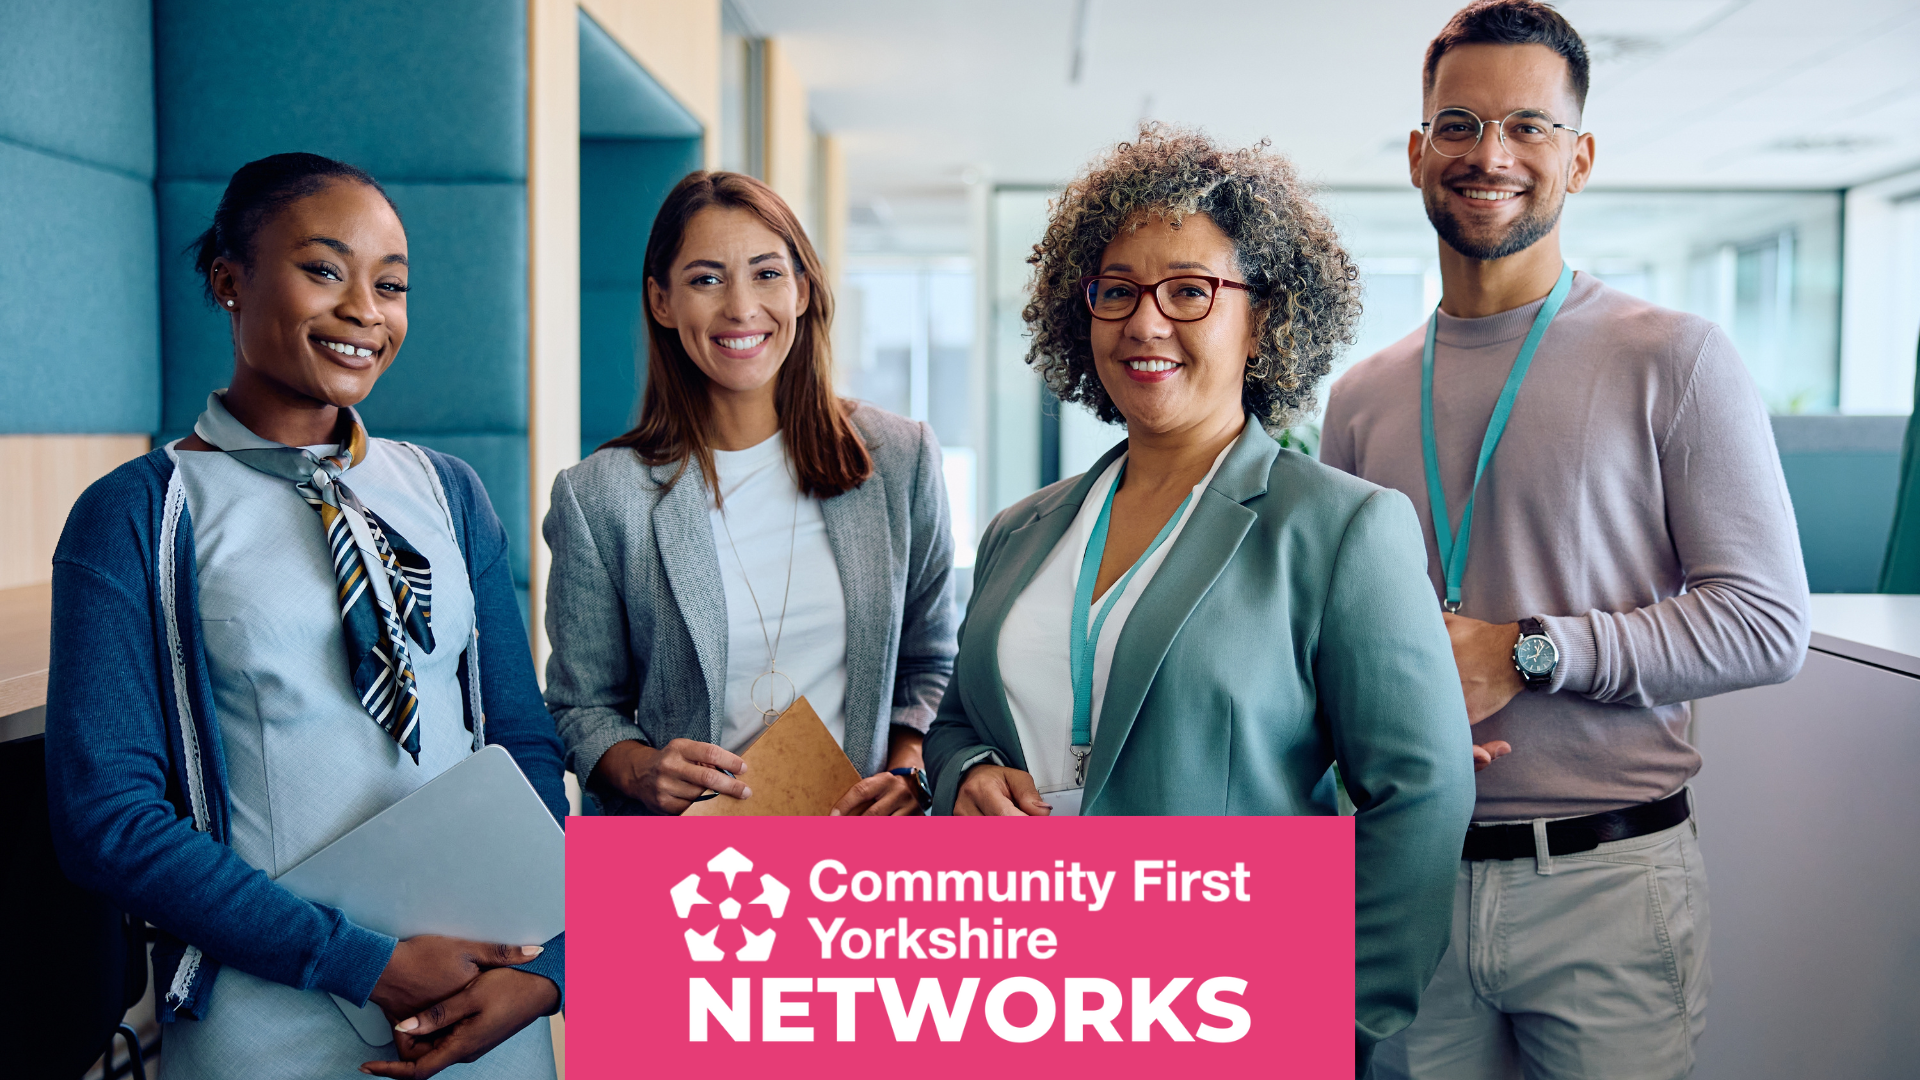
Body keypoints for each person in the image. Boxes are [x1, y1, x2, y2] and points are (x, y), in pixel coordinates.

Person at [1320, 4, 1811, 1077]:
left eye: (1529, 127)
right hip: (1408, 877)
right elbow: (1337, 637)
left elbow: (1767, 624)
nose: (1489, 154)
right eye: (1458, 124)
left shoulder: (1673, 358)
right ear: (1417, 154)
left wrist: (1525, 650)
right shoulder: (1361, 397)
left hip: (1608, 883)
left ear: (1577, 158)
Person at [922, 126, 1478, 1074]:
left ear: (1264, 317)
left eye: (1190, 290)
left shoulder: (1340, 528)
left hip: (1234, 1021)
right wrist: (968, 770)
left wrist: (1337, 1018)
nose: (1145, 323)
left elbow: (1421, 796)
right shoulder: (1023, 530)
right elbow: (959, 721)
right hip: (1025, 1000)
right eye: (1118, 291)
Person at [44, 153, 566, 1079]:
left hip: (486, 1004)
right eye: (325, 269)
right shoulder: (138, 512)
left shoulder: (450, 495)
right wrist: (362, 964)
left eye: (391, 284)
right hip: (271, 1013)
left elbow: (520, 745)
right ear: (228, 281)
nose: (366, 308)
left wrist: (547, 971)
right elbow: (108, 819)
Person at [543, 171, 956, 817]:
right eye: (706, 279)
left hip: (855, 859)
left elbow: (932, 664)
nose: (740, 307)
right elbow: (581, 706)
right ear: (662, 301)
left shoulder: (900, 459)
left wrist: (909, 773)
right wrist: (641, 768)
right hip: (690, 872)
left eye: (766, 273)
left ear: (802, 289)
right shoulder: (599, 498)